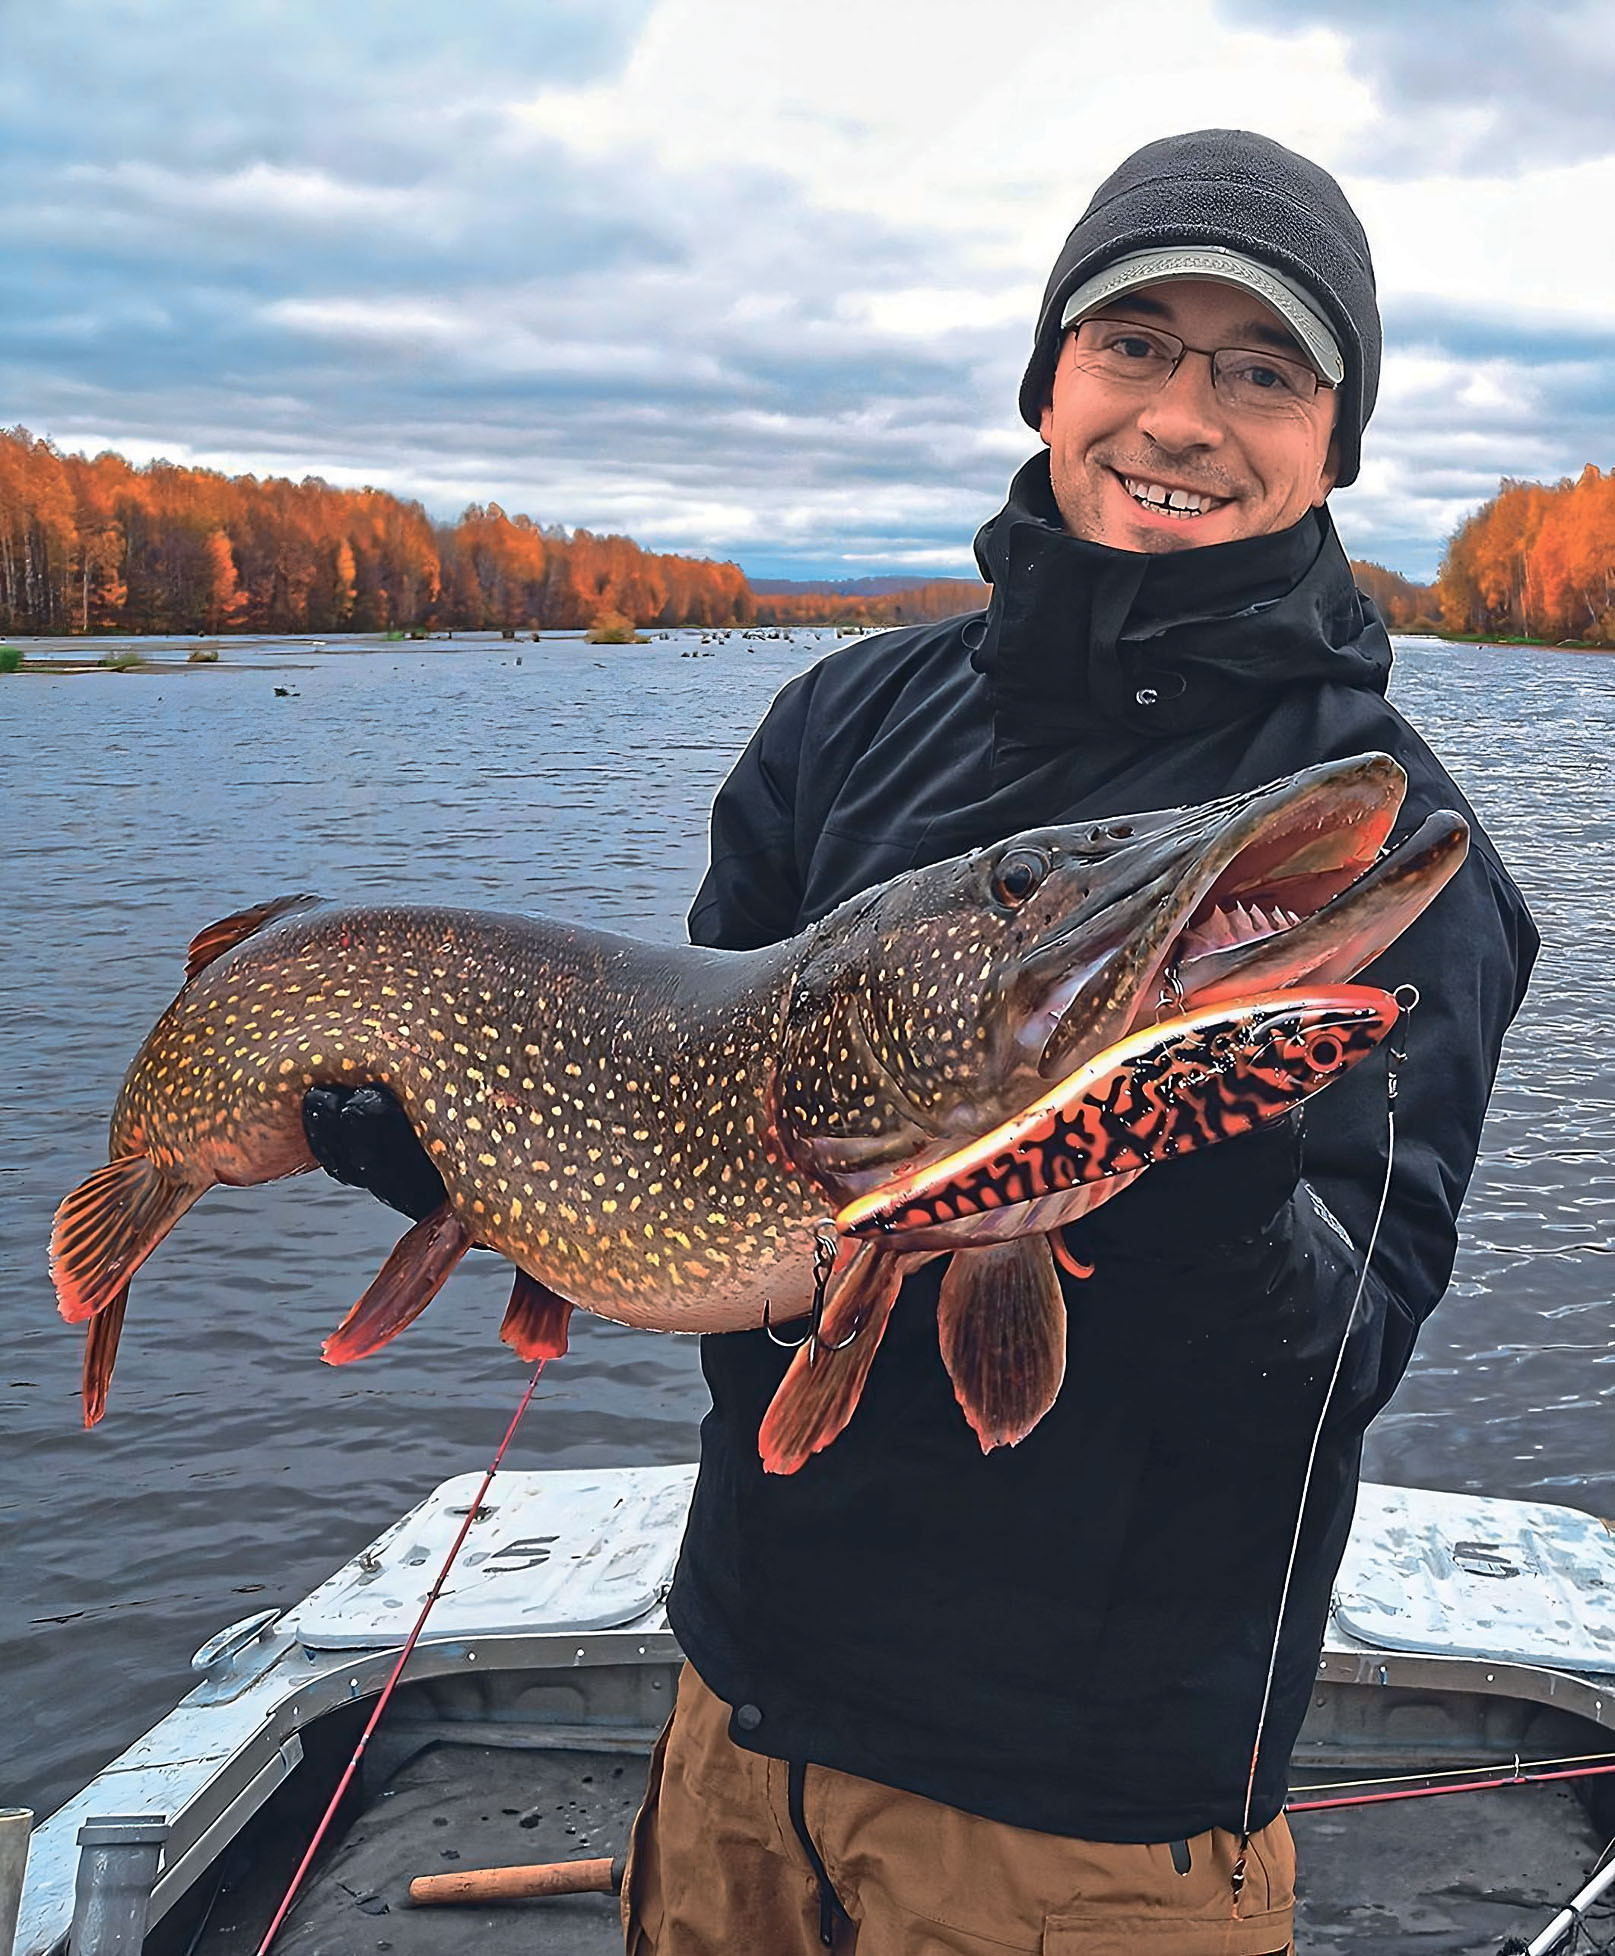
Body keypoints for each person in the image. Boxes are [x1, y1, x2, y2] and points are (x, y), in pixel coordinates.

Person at [306, 130, 1538, 1955]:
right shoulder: (845, 720)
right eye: (1135, 345)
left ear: (1334, 441)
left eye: (1262, 371)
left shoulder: (1392, 862)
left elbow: (1334, 1364)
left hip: (1089, 1814)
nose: (1182, 417)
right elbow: (704, 1114)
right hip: (739, 1711)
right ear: (1050, 379)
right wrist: (491, 1159)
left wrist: (1197, 1182)